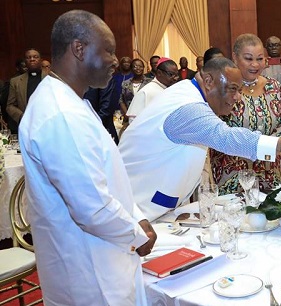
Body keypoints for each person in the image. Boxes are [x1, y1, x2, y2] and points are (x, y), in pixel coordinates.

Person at [19, 10, 157, 305]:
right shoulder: (61, 113)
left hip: (102, 255)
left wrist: (138, 217)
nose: (113, 61)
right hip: (90, 270)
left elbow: (105, 176)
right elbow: (91, 208)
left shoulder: (71, 101)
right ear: (79, 49)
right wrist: (136, 234)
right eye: (108, 51)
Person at [119, 57, 281, 221]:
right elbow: (227, 137)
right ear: (209, 81)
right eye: (232, 89)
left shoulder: (189, 92)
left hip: (157, 205)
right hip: (136, 210)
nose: (238, 97)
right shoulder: (188, 106)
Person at [210, 34, 281, 195]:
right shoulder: (223, 88)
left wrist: (269, 148)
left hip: (269, 172)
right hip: (233, 175)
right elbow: (218, 131)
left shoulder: (273, 86)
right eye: (248, 58)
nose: (255, 64)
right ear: (235, 57)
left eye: (260, 59)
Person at [126, 57, 179, 123]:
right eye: (171, 74)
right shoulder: (146, 92)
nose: (175, 78)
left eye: (177, 75)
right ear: (159, 73)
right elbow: (133, 121)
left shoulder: (172, 90)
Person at [7, 48, 47, 125]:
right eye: (29, 57)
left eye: (35, 57)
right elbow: (10, 106)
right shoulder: (15, 81)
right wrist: (23, 116)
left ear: (41, 60)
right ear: (25, 62)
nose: (32, 59)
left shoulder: (51, 77)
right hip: (26, 124)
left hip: (48, 123)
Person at [118, 58, 151, 133]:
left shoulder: (149, 82)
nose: (138, 68)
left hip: (145, 117)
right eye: (135, 66)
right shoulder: (125, 83)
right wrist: (127, 114)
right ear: (131, 69)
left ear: (143, 68)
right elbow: (121, 99)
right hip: (130, 118)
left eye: (140, 66)